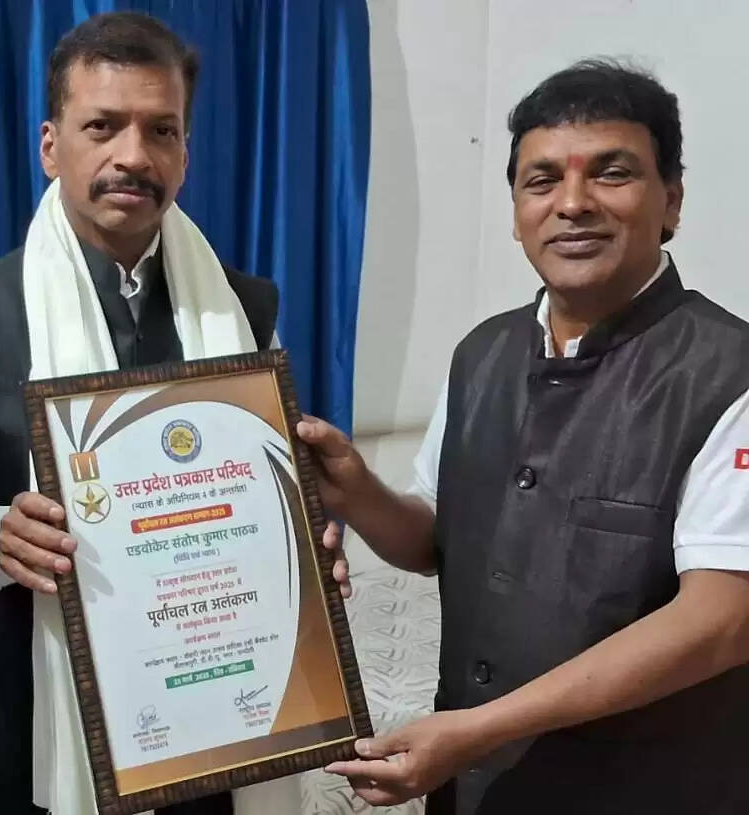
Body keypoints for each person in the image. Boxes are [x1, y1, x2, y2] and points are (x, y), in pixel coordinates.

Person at [0, 11, 350, 815]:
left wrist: (302, 553)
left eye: (161, 130)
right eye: (102, 126)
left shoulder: (245, 310)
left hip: (222, 716)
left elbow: (266, 492)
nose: (133, 155)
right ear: (50, 145)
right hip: (48, 718)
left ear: (184, 154)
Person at [304, 60, 749, 814]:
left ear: (671, 200)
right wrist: (357, 491)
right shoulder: (484, 353)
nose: (572, 203)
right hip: (476, 790)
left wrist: (479, 729)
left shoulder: (729, 373)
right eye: (541, 181)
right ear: (516, 213)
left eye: (611, 173)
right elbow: (437, 537)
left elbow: (721, 620)